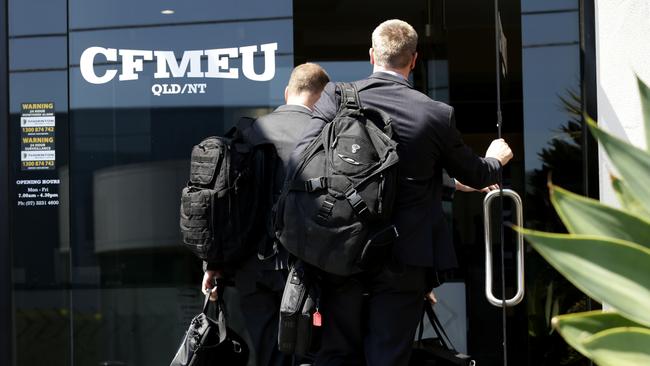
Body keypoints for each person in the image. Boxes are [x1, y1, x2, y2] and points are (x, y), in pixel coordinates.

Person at [292, 19, 513, 366]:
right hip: (404, 257)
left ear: (371, 56)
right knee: (388, 356)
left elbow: (301, 161)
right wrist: (495, 160)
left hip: (339, 251)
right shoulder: (435, 113)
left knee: (336, 353)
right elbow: (472, 171)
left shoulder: (336, 97)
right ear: (414, 60)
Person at [200, 63, 330, 366]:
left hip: (251, 270)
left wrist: (213, 263)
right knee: (311, 353)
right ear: (322, 97)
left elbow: (223, 201)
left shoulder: (247, 133)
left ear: (287, 93)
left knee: (269, 355)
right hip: (310, 268)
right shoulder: (327, 135)